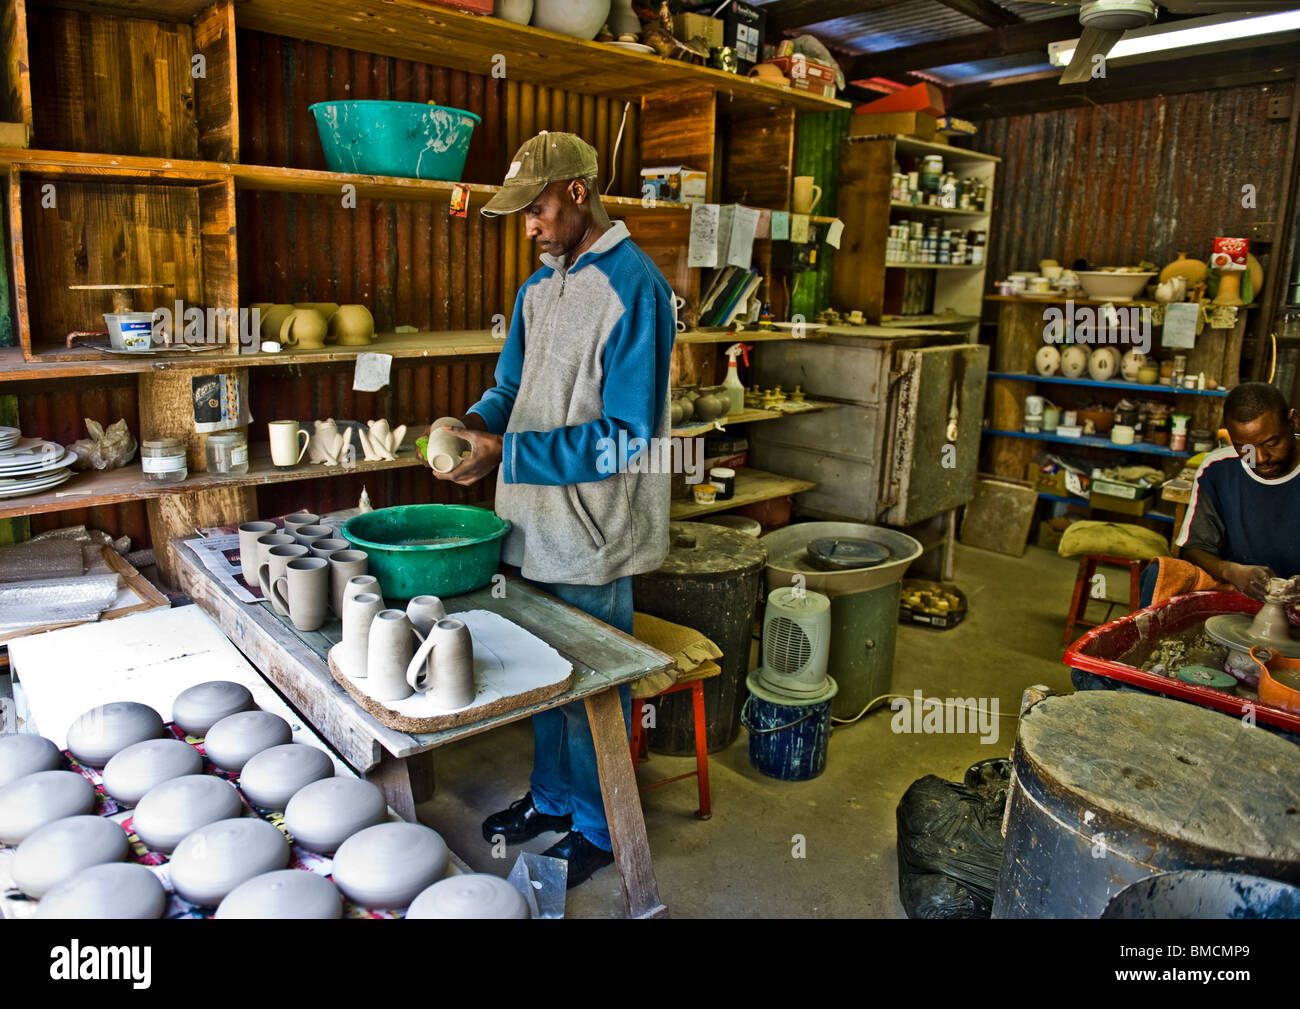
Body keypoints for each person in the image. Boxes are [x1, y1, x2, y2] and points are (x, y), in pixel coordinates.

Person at [424, 131, 675, 886]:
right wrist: (471, 429)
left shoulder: (636, 289)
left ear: (576, 191)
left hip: (593, 534)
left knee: (592, 691)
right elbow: (510, 391)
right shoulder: (538, 288)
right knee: (541, 679)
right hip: (525, 527)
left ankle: (599, 829)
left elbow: (626, 437)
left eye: (535, 209)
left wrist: (511, 454)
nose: (527, 227)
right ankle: (553, 800)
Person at [1158, 381, 1300, 602]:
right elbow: (1195, 548)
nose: (1260, 458)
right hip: (1240, 595)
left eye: (1272, 443)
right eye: (1245, 448)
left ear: (1294, 422)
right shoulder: (1218, 469)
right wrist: (1231, 571)